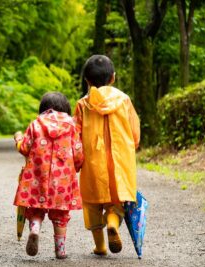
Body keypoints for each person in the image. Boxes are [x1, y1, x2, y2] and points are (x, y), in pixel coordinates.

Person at [74, 55, 140, 256]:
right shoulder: (124, 100)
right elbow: (134, 132)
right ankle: (113, 223)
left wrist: (76, 161)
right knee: (117, 202)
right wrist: (132, 148)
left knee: (93, 204)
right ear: (113, 77)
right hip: (120, 163)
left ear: (87, 81)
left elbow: (75, 137)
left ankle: (100, 246)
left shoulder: (83, 104)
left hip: (93, 164)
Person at [13, 92, 84, 259]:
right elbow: (78, 153)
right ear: (65, 108)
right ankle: (60, 250)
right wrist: (78, 166)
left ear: (43, 109)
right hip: (63, 182)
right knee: (61, 215)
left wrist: (18, 139)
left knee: (36, 208)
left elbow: (25, 148)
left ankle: (35, 229)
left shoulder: (35, 124)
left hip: (38, 179)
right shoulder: (72, 126)